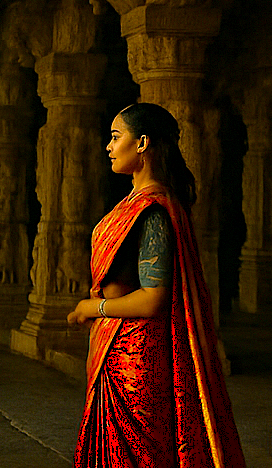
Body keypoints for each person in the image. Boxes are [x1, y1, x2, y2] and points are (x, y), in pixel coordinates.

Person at [67, 103, 245, 468]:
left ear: (142, 143)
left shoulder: (153, 209)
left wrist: (92, 308)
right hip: (118, 349)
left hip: (135, 358)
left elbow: (154, 300)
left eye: (116, 137)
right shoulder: (137, 204)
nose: (108, 146)